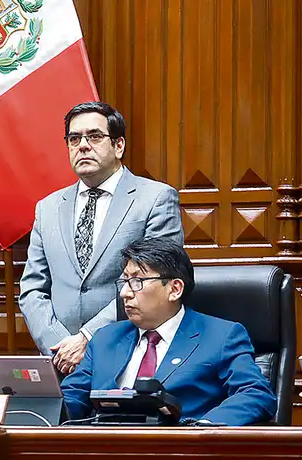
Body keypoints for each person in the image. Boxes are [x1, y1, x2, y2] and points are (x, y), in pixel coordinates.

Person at [20, 101, 184, 376]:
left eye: (94, 136)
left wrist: (87, 338)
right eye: (74, 139)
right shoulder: (47, 208)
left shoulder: (155, 199)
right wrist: (58, 345)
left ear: (119, 146)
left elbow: (153, 282)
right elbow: (32, 288)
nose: (83, 145)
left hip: (128, 352)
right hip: (59, 361)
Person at [61, 238, 276, 426]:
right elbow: (70, 399)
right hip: (104, 455)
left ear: (174, 289)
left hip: (181, 457)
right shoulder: (105, 338)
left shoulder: (222, 336)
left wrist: (202, 428)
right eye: (124, 282)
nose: (125, 293)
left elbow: (255, 394)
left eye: (136, 282)